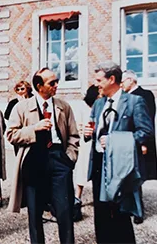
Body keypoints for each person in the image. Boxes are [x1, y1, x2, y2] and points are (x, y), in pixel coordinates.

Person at [7, 67, 79, 244]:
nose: (56, 85)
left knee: (65, 211)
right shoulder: (22, 107)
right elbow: (11, 135)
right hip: (34, 161)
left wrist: (69, 158)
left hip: (59, 159)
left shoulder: (64, 106)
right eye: (52, 83)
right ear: (39, 86)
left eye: (56, 81)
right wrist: (34, 128)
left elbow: (74, 135)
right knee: (35, 212)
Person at [84, 61, 153, 243]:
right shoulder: (99, 104)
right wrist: (88, 133)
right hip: (99, 165)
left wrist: (116, 141)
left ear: (112, 79)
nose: (96, 84)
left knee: (120, 215)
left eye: (99, 80)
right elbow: (94, 130)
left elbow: (145, 131)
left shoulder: (134, 102)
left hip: (120, 166)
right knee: (101, 216)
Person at [121, 70, 157, 224]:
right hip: (128, 142)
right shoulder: (124, 97)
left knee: (137, 177)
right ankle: (130, 207)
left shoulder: (145, 95)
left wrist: (143, 144)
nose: (121, 85)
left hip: (140, 142)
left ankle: (138, 212)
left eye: (123, 81)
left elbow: (147, 122)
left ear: (130, 80)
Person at [73, 85, 100, 222]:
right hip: (85, 142)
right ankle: (78, 196)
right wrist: (81, 129)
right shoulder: (83, 107)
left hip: (98, 142)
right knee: (82, 170)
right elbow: (77, 124)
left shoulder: (102, 106)